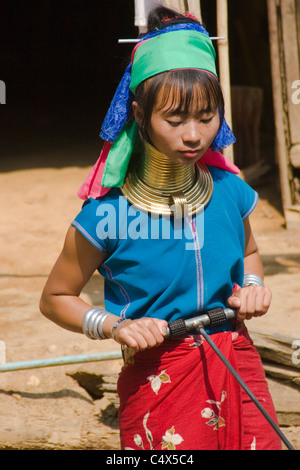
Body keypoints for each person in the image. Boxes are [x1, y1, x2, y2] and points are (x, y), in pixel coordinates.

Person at [40, 7, 282, 450]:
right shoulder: (105, 215)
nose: (194, 135)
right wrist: (115, 326)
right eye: (174, 120)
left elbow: (248, 252)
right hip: (159, 375)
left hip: (236, 358)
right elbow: (55, 299)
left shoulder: (231, 191)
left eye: (207, 117)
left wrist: (252, 286)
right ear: (139, 113)